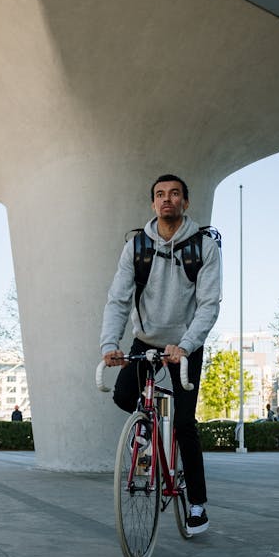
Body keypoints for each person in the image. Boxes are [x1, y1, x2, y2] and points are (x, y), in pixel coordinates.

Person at [100, 174, 221, 534]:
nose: (167, 199)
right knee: (124, 396)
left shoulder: (204, 247)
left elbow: (209, 304)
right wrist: (110, 345)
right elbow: (117, 300)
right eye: (160, 195)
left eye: (174, 194)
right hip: (146, 340)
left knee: (184, 422)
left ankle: (196, 503)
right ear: (153, 203)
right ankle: (147, 428)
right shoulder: (137, 247)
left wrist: (185, 345)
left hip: (185, 343)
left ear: (185, 202)